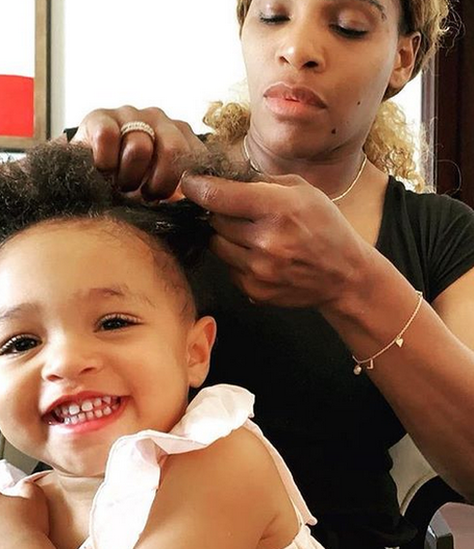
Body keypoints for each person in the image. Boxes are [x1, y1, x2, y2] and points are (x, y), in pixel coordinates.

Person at [8, 0, 474, 547]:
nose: (297, 50)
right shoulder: (140, 182)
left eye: (348, 26)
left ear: (403, 58)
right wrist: (62, 179)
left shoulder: (438, 235)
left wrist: (356, 284)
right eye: (272, 15)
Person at [0, 143, 325, 549]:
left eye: (113, 322)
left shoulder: (222, 462)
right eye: (21, 342)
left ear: (195, 353)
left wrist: (17, 538)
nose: (65, 362)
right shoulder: (21, 500)